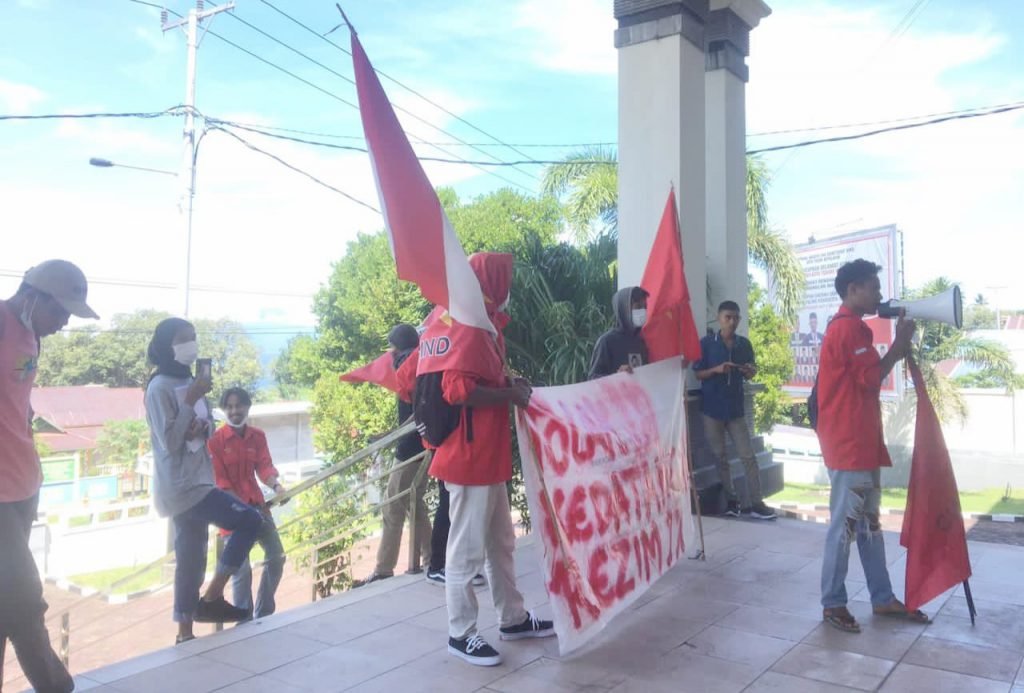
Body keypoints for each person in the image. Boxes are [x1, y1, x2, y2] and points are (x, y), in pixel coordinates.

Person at [418, 252, 554, 666]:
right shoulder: (471, 326)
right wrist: (509, 395)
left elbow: (477, 378)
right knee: (466, 550)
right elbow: (457, 389)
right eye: (505, 280)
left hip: (486, 456)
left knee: (500, 543)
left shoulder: (472, 322)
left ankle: (512, 617)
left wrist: (508, 383)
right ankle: (461, 633)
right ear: (492, 283)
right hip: (469, 457)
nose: (509, 289)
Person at [817, 259, 929, 633]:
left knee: (867, 525)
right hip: (849, 446)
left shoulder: (850, 328)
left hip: (858, 443)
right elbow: (870, 380)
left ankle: (881, 598)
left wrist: (898, 345)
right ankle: (833, 602)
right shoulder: (850, 330)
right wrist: (898, 346)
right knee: (846, 527)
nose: (879, 294)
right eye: (873, 287)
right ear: (853, 290)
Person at [1, 260, 97, 693]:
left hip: (23, 488)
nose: (63, 324)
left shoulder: (31, 336)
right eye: (60, 312)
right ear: (33, 296)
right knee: (23, 598)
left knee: (6, 602)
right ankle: (58, 687)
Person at [144, 318, 265, 644]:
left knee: (191, 557)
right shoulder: (159, 388)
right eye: (184, 339)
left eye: (194, 338)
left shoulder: (191, 380)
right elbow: (168, 442)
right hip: (183, 484)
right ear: (167, 345)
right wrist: (190, 401)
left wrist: (201, 424)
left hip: (198, 478)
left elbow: (205, 426)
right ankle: (210, 599)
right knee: (249, 521)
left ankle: (185, 633)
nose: (191, 344)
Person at [354, 325, 433, 586]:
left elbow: (417, 410)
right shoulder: (424, 360)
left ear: (395, 347)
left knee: (392, 506)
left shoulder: (407, 365)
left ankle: (384, 569)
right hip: (425, 444)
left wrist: (394, 435)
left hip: (410, 448)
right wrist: (388, 434)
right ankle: (431, 558)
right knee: (415, 503)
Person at [208, 387, 287, 621]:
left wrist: (276, 487)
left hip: (258, 508)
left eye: (238, 405)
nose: (234, 411)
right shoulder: (215, 441)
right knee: (240, 571)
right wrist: (243, 510)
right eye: (229, 407)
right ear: (224, 410)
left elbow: (264, 466)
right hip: (231, 514)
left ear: (247, 407)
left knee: (277, 557)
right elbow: (220, 482)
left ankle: (264, 612)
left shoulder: (257, 436)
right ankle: (244, 621)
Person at [694, 301, 777, 520]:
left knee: (748, 456)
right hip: (712, 409)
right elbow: (698, 374)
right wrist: (717, 369)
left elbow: (752, 371)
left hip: (736, 409)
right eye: (727, 317)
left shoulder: (743, 344)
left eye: (735, 318)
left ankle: (757, 502)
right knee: (720, 457)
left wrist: (750, 371)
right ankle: (732, 501)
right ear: (719, 318)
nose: (732, 322)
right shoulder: (706, 344)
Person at [588, 286, 649, 379]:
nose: (642, 311)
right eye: (638, 307)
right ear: (624, 309)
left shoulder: (641, 343)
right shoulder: (607, 342)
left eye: (645, 307)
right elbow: (592, 379)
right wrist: (616, 376)